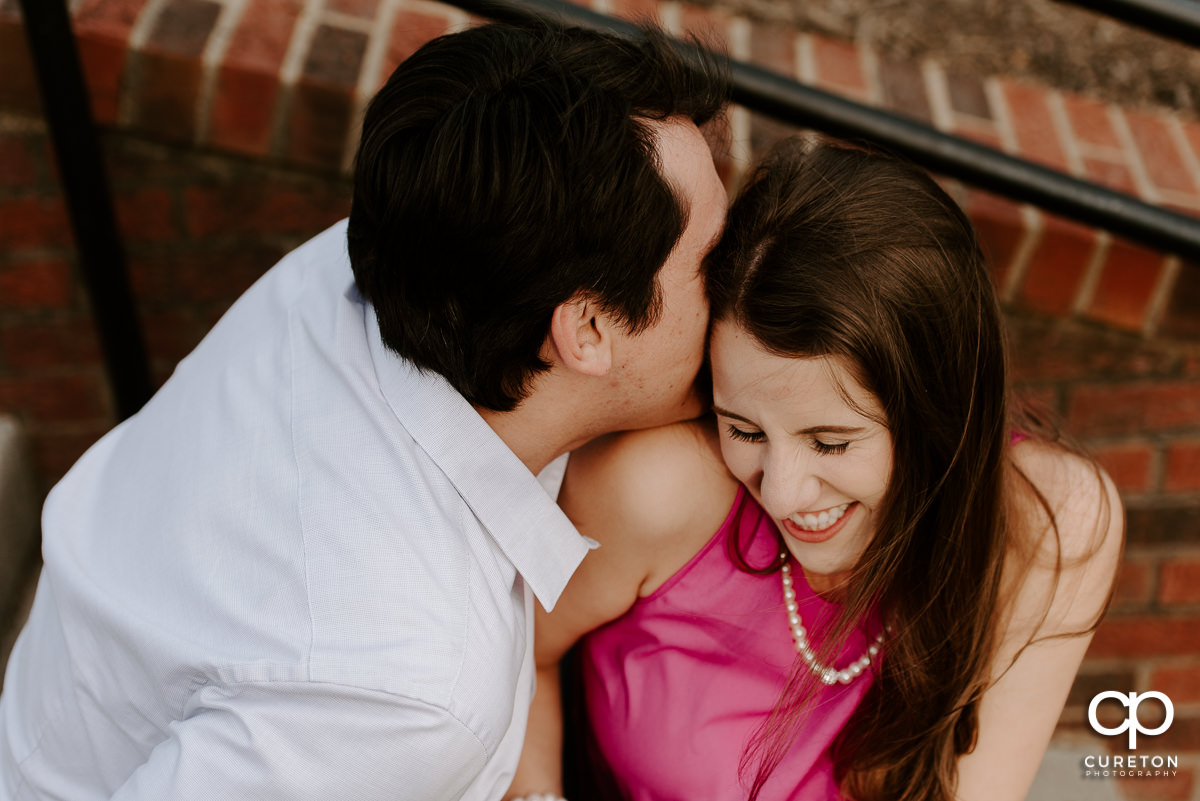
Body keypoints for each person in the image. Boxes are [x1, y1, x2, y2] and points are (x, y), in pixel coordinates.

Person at [0, 22, 729, 801]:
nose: (740, 283)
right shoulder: (405, 689)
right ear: (586, 330)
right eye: (711, 261)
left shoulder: (398, 251)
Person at [507, 139, 1124, 801]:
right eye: (743, 428)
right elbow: (513, 652)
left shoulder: (1051, 524)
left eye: (830, 442)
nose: (781, 489)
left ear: (936, 413)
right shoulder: (656, 490)